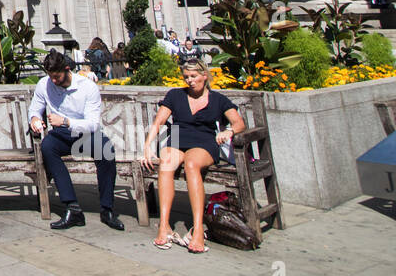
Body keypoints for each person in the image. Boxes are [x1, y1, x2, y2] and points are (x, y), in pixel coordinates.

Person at [141, 59, 246, 254]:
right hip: (179, 137)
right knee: (166, 162)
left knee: (191, 164)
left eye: (194, 76)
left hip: (205, 141)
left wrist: (229, 132)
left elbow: (239, 123)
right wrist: (147, 146)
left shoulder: (218, 99)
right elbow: (159, 121)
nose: (189, 81)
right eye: (186, 77)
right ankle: (164, 226)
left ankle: (197, 229)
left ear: (204, 76)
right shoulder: (175, 95)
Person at [29, 50, 125, 231]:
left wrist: (65, 121)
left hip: (87, 135)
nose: (54, 81)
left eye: (57, 77)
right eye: (51, 77)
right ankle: (73, 209)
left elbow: (92, 124)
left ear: (67, 69)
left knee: (106, 153)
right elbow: (35, 108)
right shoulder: (45, 84)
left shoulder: (88, 87)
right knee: (48, 147)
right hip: (62, 136)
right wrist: (34, 119)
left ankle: (107, 209)